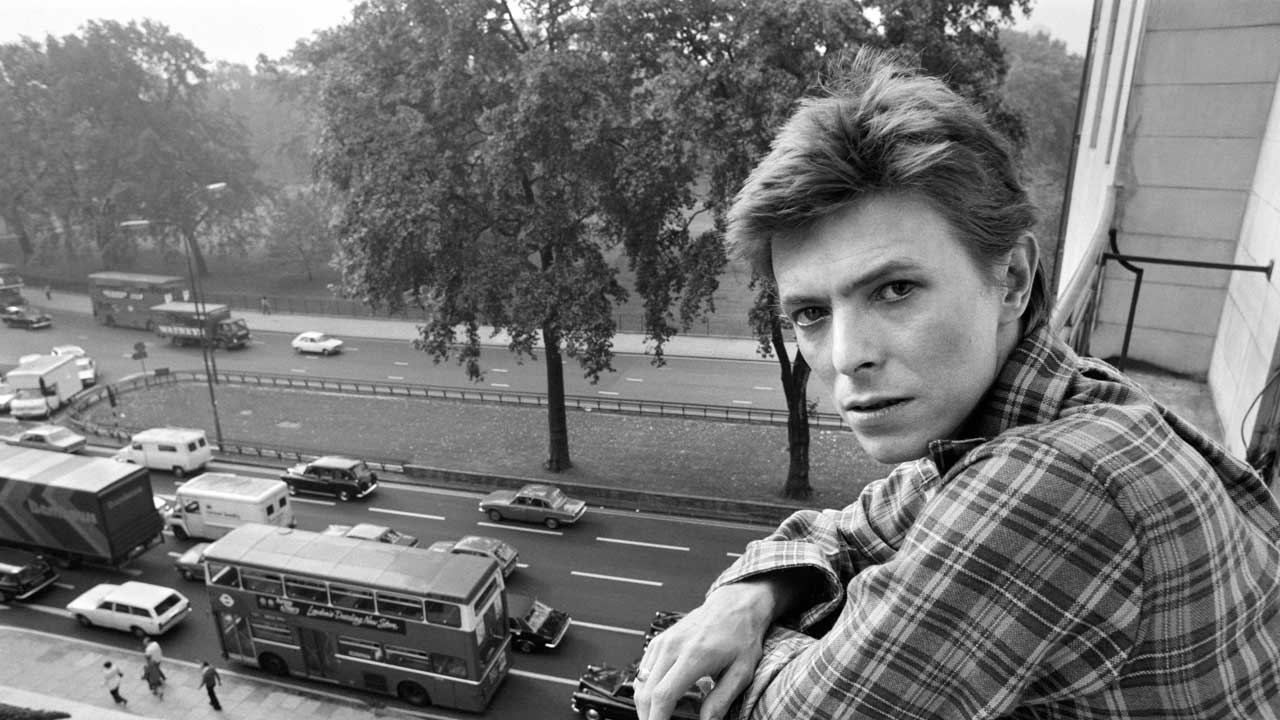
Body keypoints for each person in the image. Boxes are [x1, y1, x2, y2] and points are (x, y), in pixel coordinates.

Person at [635, 50, 1280, 720]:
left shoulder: (1053, 484)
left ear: (1012, 279)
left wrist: (777, 636)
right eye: (811, 314)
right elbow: (840, 531)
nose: (847, 356)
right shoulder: (1039, 403)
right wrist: (751, 597)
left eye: (895, 289)